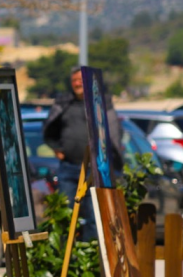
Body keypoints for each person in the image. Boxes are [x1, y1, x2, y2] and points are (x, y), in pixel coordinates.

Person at [42, 67, 123, 240]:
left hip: (94, 170)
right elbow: (49, 128)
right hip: (69, 167)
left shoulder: (100, 103)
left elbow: (114, 131)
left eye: (80, 80)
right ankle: (66, 257)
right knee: (66, 215)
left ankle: (90, 256)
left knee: (94, 217)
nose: (77, 84)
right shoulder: (64, 103)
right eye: (74, 81)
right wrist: (57, 148)